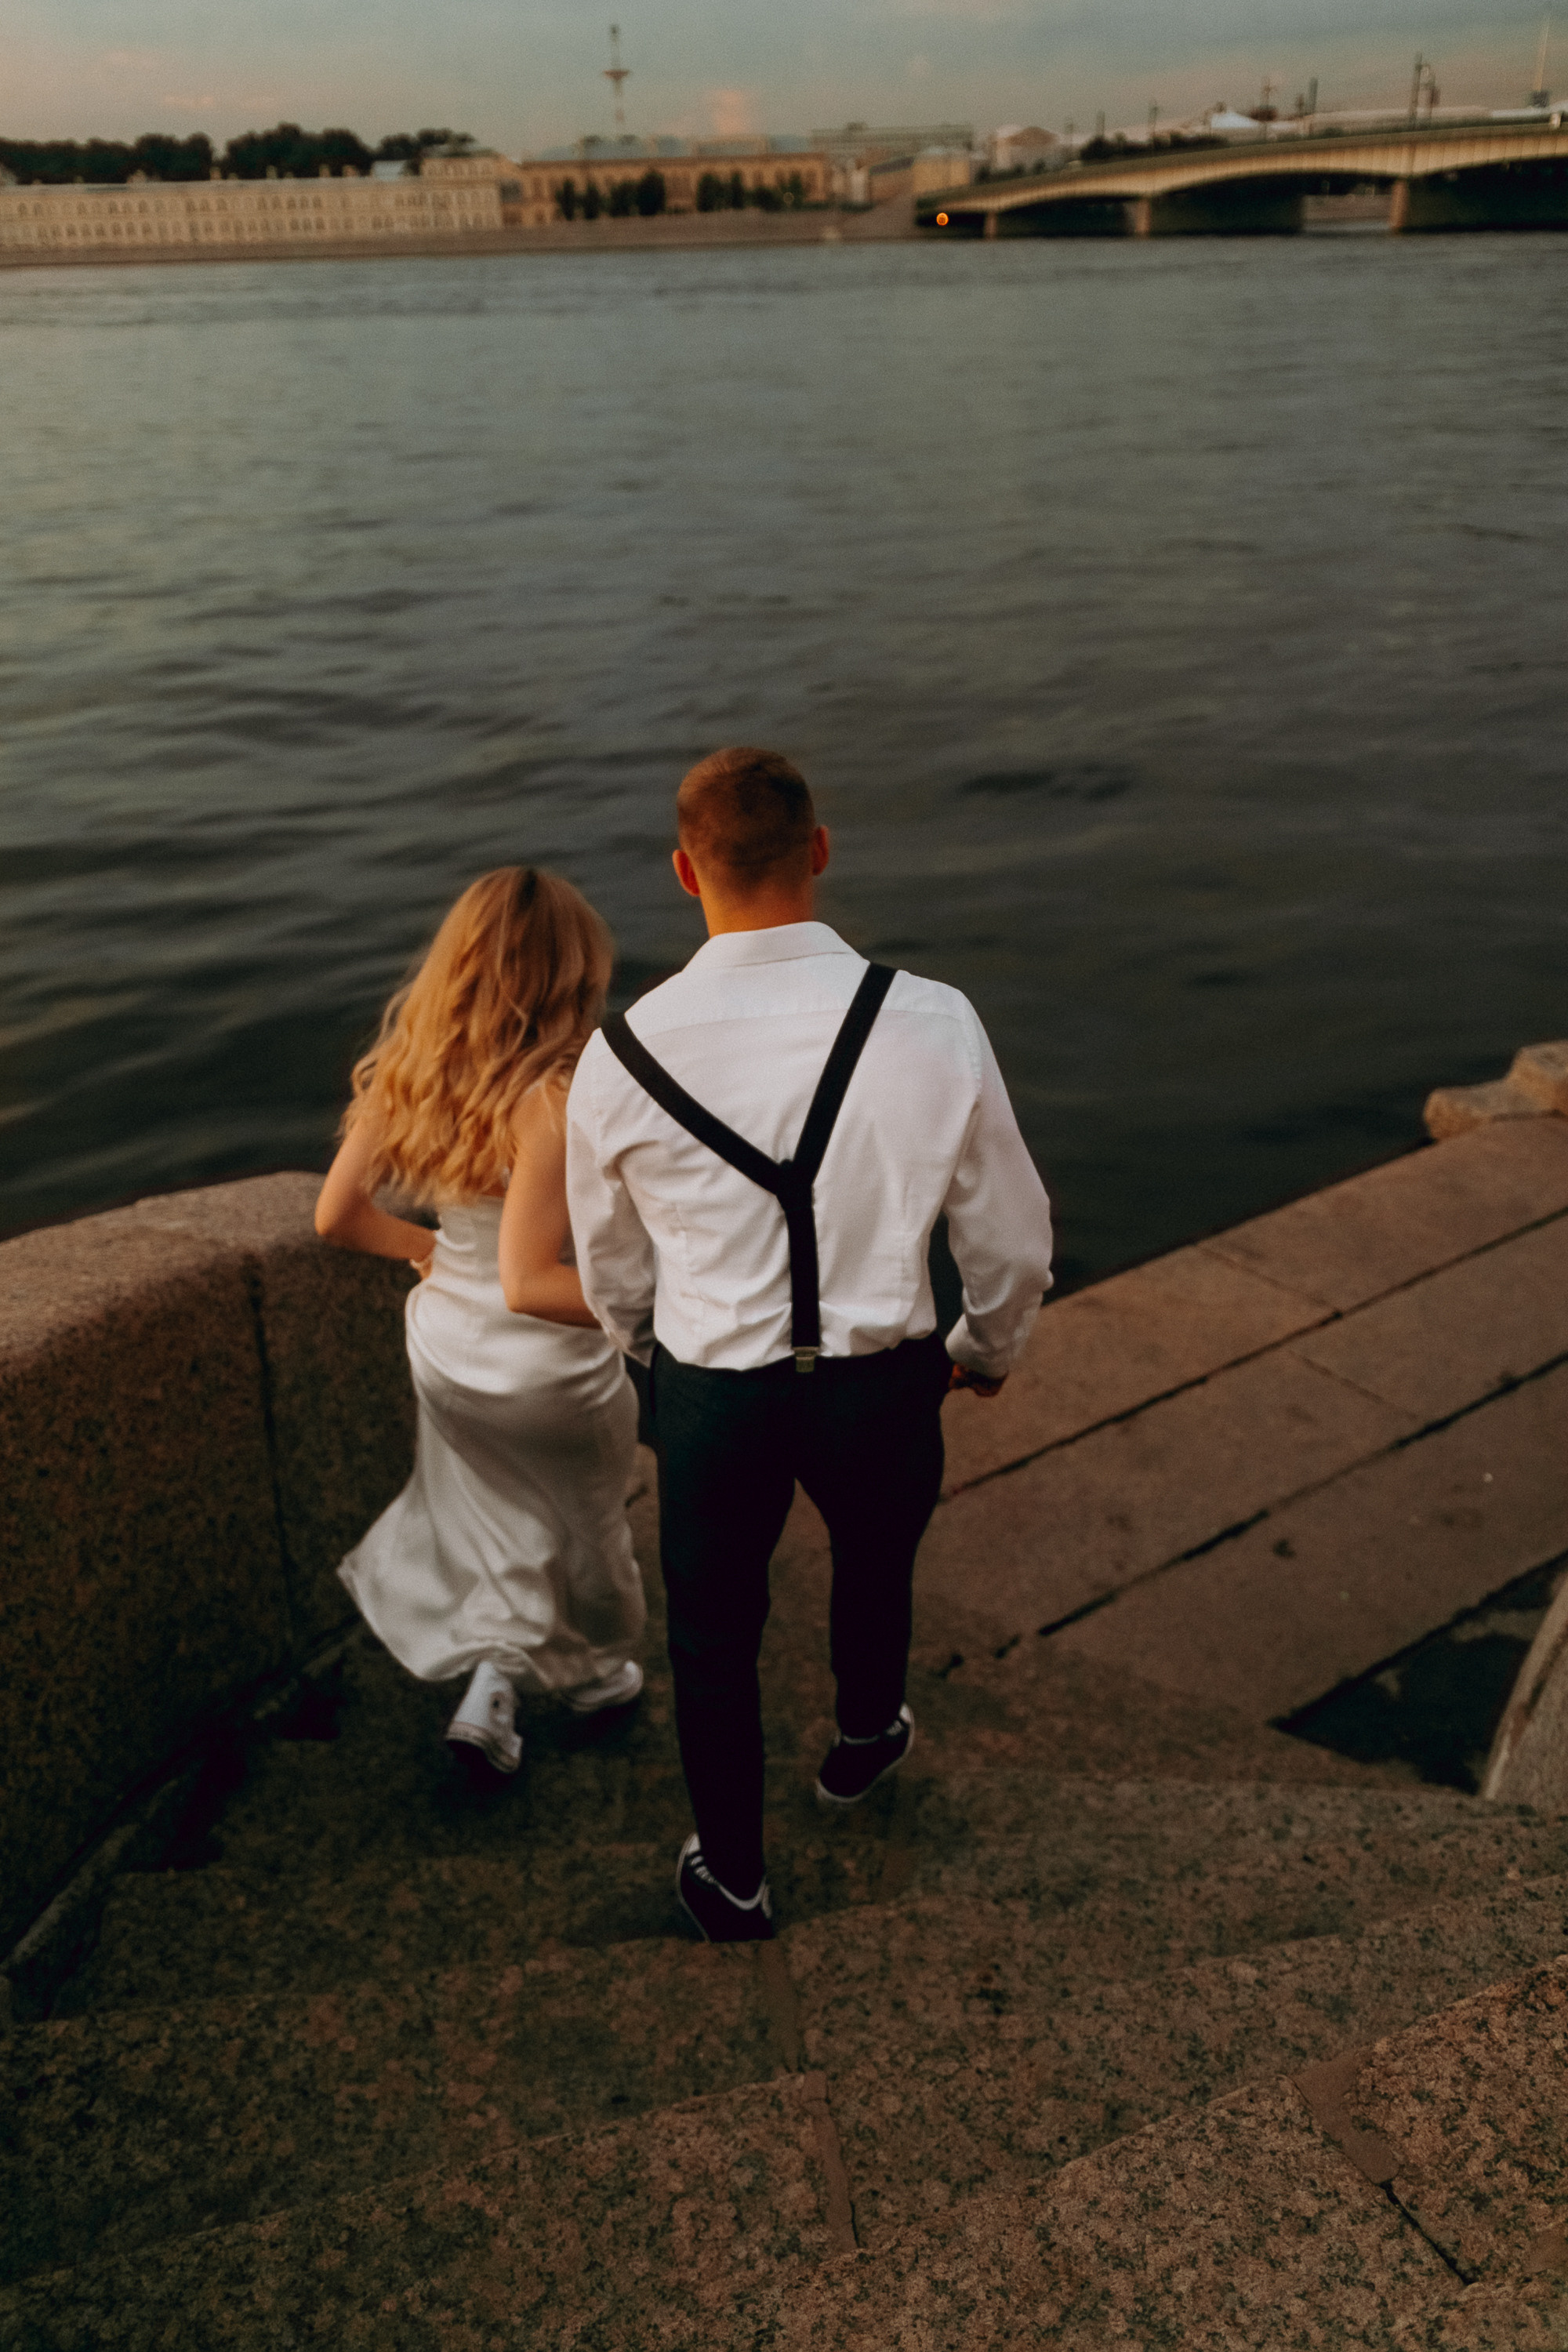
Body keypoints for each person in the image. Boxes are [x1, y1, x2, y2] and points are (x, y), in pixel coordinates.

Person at [564, 748, 1054, 1940]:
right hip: (884, 1385)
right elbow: (1012, 1236)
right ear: (820, 852)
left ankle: (735, 1876)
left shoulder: (621, 1054)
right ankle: (862, 1740)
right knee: (875, 1564)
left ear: (685, 871)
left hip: (713, 1396)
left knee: (715, 1634)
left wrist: (656, 1358)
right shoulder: (934, 1019)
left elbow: (609, 1273)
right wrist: (985, 1349)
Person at [316, 866, 646, 1777]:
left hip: (446, 1350)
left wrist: (428, 1251)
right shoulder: (556, 1097)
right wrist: (661, 1310)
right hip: (545, 1367)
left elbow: (335, 1218)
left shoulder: (414, 1070)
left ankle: (493, 1688)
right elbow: (532, 1283)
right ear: (571, 974)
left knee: (497, 1513)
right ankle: (589, 1676)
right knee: (588, 1528)